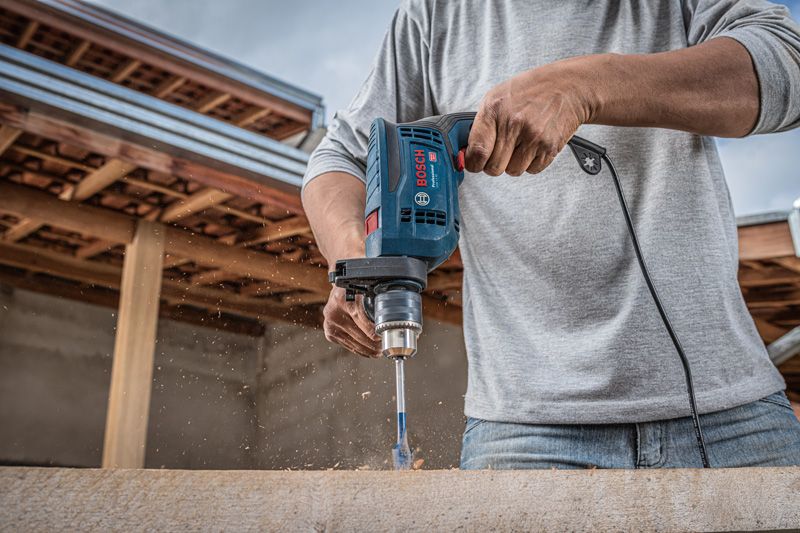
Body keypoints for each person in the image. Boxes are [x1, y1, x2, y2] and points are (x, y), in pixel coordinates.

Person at [301, 0, 800, 469]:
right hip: (523, 432)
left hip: (730, 414)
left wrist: (583, 85)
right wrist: (358, 261)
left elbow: (786, 60)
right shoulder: (435, 14)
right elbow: (339, 156)